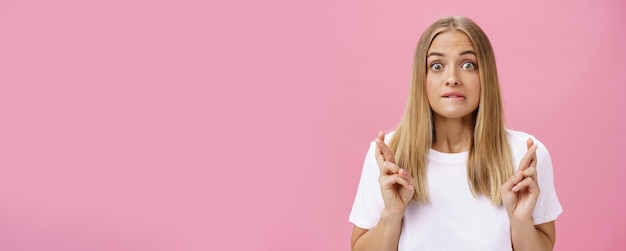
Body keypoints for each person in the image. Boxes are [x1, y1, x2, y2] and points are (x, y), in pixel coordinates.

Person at [348, 16, 562, 251]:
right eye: (437, 66)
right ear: (423, 78)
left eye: (468, 65)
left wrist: (521, 221)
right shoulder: (388, 156)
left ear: (485, 76)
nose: (452, 79)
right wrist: (391, 214)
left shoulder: (525, 155)